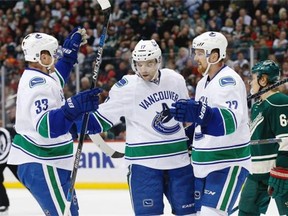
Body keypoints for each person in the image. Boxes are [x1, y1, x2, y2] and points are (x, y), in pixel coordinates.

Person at [83, 39, 196, 215]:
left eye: (149, 63)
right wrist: (80, 114)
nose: (144, 69)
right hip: (144, 165)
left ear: (158, 61)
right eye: (140, 64)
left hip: (178, 161)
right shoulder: (126, 87)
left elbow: (188, 115)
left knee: (190, 213)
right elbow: (100, 120)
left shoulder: (175, 79)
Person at [7, 28, 101, 215]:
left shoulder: (41, 77)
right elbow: (47, 128)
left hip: (50, 161)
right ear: (42, 57)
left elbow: (57, 78)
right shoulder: (38, 85)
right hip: (41, 162)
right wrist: (73, 107)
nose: (56, 57)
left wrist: (68, 58)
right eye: (53, 54)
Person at [169, 31, 251, 216]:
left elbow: (229, 122)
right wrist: (185, 136)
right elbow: (202, 125)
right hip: (202, 164)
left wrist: (201, 113)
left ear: (214, 56)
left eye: (199, 53)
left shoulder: (228, 81)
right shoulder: (202, 84)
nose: (195, 58)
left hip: (227, 162)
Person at [238, 60, 288, 216]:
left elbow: (286, 139)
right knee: (246, 211)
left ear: (263, 80)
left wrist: (282, 170)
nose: (250, 83)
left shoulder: (279, 101)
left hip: (278, 173)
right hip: (257, 173)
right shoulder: (258, 104)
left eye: (252, 78)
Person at [0, 126, 17, 215]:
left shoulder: (4, 132)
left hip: (12, 158)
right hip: (2, 160)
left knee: (25, 178)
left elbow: (7, 151)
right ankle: (2, 205)